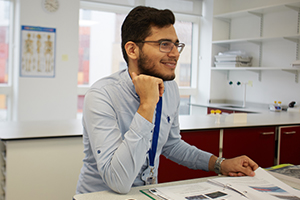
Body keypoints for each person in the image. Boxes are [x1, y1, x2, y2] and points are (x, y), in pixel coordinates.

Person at [76, 6, 259, 194]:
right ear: (132, 50)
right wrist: (147, 105)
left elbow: (171, 144)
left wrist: (220, 164)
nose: (176, 54)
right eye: (164, 44)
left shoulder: (170, 88)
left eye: (176, 45)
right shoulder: (101, 96)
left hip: (147, 194)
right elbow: (118, 181)